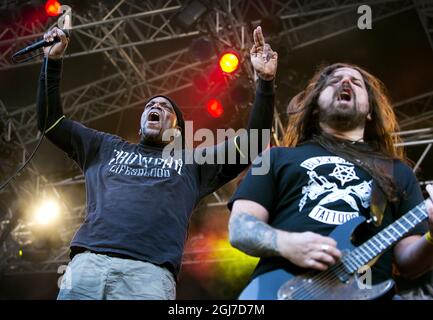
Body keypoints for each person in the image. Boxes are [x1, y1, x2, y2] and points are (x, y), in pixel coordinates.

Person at [36, 19, 278, 300]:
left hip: (148, 276)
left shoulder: (192, 163)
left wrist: (266, 83)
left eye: (166, 108)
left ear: (176, 130)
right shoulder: (105, 147)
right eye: (151, 105)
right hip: (87, 265)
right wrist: (51, 63)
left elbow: (252, 144)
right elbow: (50, 121)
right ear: (140, 125)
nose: (156, 106)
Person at [228, 63, 433, 300]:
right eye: (334, 80)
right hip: (282, 292)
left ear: (369, 111)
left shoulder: (397, 172)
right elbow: (240, 228)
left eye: (356, 82)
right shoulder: (277, 157)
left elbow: (409, 263)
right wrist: (287, 244)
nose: (346, 82)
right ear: (314, 107)